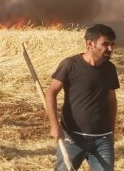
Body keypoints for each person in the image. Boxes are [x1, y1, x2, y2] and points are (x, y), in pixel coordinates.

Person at [46, 24, 119, 171]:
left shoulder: (110, 69)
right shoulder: (70, 65)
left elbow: (112, 101)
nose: (110, 49)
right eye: (105, 44)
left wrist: (111, 131)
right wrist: (55, 127)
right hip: (72, 138)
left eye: (112, 44)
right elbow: (51, 93)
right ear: (90, 44)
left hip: (102, 139)